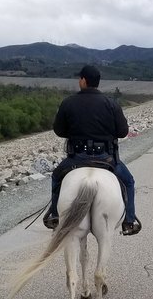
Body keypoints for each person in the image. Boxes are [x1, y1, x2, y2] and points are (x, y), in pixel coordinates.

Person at [43, 64, 141, 234]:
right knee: (129, 182)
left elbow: (59, 131)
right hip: (106, 158)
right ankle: (129, 220)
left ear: (83, 80)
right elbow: (123, 131)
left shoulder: (68, 103)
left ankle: (54, 214)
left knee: (57, 177)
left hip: (77, 157)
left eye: (79, 78)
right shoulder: (111, 104)